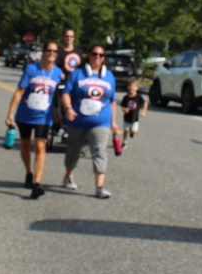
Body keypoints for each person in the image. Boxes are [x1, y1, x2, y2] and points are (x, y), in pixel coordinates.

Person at [5, 41, 63, 199]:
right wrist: (10, 113)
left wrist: (57, 112)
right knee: (25, 144)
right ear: (43, 52)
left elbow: (58, 95)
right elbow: (19, 91)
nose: (51, 53)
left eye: (55, 51)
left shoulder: (58, 73)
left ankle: (37, 183)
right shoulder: (31, 69)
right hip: (25, 114)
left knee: (40, 146)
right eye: (49, 50)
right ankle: (29, 173)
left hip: (43, 116)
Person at [61, 45, 118, 198]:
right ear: (89, 55)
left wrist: (113, 121)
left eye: (101, 55)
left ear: (104, 58)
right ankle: (68, 175)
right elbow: (66, 93)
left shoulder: (109, 76)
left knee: (100, 151)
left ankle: (99, 188)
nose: (97, 57)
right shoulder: (77, 73)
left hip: (100, 122)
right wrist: (68, 108)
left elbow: (112, 101)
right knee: (73, 150)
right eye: (94, 54)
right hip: (77, 121)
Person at [51, 28, 83, 141]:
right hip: (62, 83)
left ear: (74, 38)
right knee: (61, 102)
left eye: (71, 36)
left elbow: (83, 68)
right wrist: (59, 74)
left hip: (76, 84)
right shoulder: (58, 52)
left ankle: (74, 125)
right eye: (67, 36)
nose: (69, 38)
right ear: (63, 37)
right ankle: (59, 124)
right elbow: (52, 66)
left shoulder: (78, 52)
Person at [121, 79, 148, 144]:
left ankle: (132, 132)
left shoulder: (138, 97)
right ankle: (124, 141)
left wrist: (144, 111)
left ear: (137, 88)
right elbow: (122, 106)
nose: (131, 88)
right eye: (130, 86)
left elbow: (145, 103)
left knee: (134, 131)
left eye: (133, 86)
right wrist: (124, 109)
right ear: (128, 87)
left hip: (135, 118)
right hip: (127, 118)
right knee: (125, 130)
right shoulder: (126, 97)